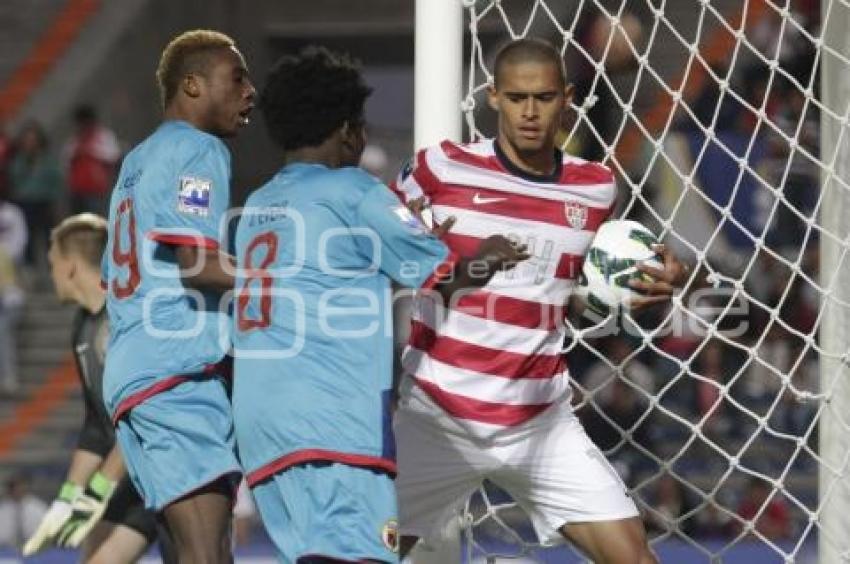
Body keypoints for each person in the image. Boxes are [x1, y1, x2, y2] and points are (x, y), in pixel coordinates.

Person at [391, 38, 690, 563]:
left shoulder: (596, 189)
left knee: (636, 558)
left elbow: (573, 293)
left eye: (545, 97)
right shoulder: (438, 169)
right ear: (492, 97)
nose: (530, 113)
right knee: (359, 554)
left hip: (539, 420)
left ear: (567, 98)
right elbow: (382, 250)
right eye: (516, 97)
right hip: (437, 415)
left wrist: (655, 284)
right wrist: (455, 268)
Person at [231, 46, 526, 563]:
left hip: (261, 423)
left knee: (319, 552)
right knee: (361, 554)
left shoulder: (258, 203)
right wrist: (491, 256)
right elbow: (446, 281)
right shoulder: (355, 190)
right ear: (347, 129)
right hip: (332, 417)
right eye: (361, 125)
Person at [100, 29, 255, 563]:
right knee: (206, 553)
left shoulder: (139, 158)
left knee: (197, 551)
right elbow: (197, 262)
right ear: (192, 85)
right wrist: (290, 279)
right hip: (174, 373)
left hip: (137, 368)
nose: (249, 91)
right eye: (236, 78)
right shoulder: (199, 148)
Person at [22, 214, 176, 562]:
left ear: (72, 266)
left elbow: (144, 416)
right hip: (132, 478)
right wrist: (68, 497)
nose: (51, 274)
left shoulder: (125, 319)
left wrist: (98, 490)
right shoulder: (82, 326)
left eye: (53, 264)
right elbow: (96, 427)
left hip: (171, 472)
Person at [9, 120, 63, 267]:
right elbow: (14, 177)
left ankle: (52, 269)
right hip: (25, 203)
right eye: (27, 140)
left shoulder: (47, 160)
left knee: (48, 238)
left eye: (33, 139)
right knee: (27, 239)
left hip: (44, 202)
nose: (30, 143)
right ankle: (30, 268)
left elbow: (56, 179)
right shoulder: (19, 160)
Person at [63, 105, 121, 215]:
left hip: (98, 189)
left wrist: (90, 151)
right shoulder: (74, 139)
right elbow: (66, 161)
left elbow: (114, 155)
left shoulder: (104, 136)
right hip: (77, 189)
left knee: (96, 219)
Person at [0, 190, 26, 395]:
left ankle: (9, 377)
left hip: (9, 293)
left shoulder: (12, 214)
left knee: (3, 334)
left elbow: (19, 244)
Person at [0, 475, 47, 550]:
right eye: (13, 487)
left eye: (20, 486)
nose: (17, 490)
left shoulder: (38, 508)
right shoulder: (2, 510)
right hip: (6, 550)